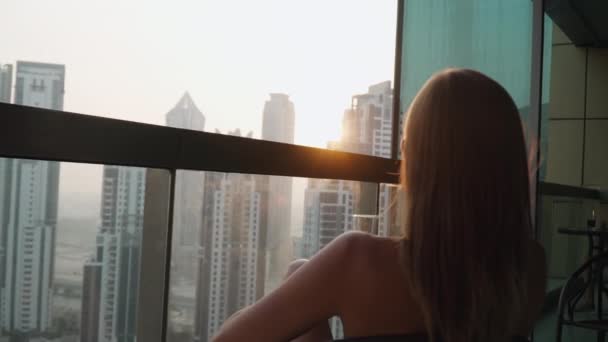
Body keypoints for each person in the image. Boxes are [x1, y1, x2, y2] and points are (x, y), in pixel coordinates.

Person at [213, 69, 547, 342]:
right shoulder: (530, 268)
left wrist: (299, 288)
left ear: (419, 165)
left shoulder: (357, 261)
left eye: (405, 146)